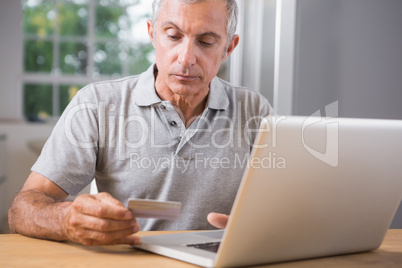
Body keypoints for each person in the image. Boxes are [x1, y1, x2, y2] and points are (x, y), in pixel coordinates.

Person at [8, 0, 273, 246]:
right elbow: (22, 209)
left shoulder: (255, 111)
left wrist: (263, 227)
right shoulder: (96, 104)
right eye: (173, 36)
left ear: (228, 48)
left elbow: (288, 207)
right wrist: (65, 219)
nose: (185, 59)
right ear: (152, 34)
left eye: (205, 42)